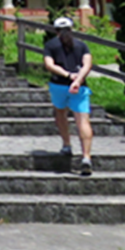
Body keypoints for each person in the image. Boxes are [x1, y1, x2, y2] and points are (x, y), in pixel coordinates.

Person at [43, 16, 95, 175]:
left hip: (58, 85)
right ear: (71, 29)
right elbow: (87, 64)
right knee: (83, 121)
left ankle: (67, 145)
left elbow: (49, 65)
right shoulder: (82, 45)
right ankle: (86, 157)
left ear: (56, 30)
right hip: (79, 87)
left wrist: (67, 75)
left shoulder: (50, 45)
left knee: (60, 113)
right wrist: (78, 80)